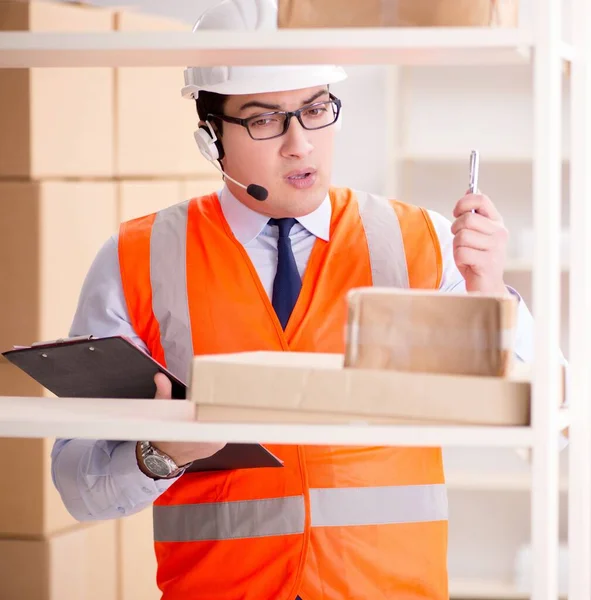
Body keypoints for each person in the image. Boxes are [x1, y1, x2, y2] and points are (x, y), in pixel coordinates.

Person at [51, 0, 539, 598]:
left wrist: (491, 297)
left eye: (314, 109)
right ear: (212, 137)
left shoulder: (429, 244)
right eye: (264, 119)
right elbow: (78, 485)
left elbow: (542, 433)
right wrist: (158, 455)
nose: (299, 145)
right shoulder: (137, 257)